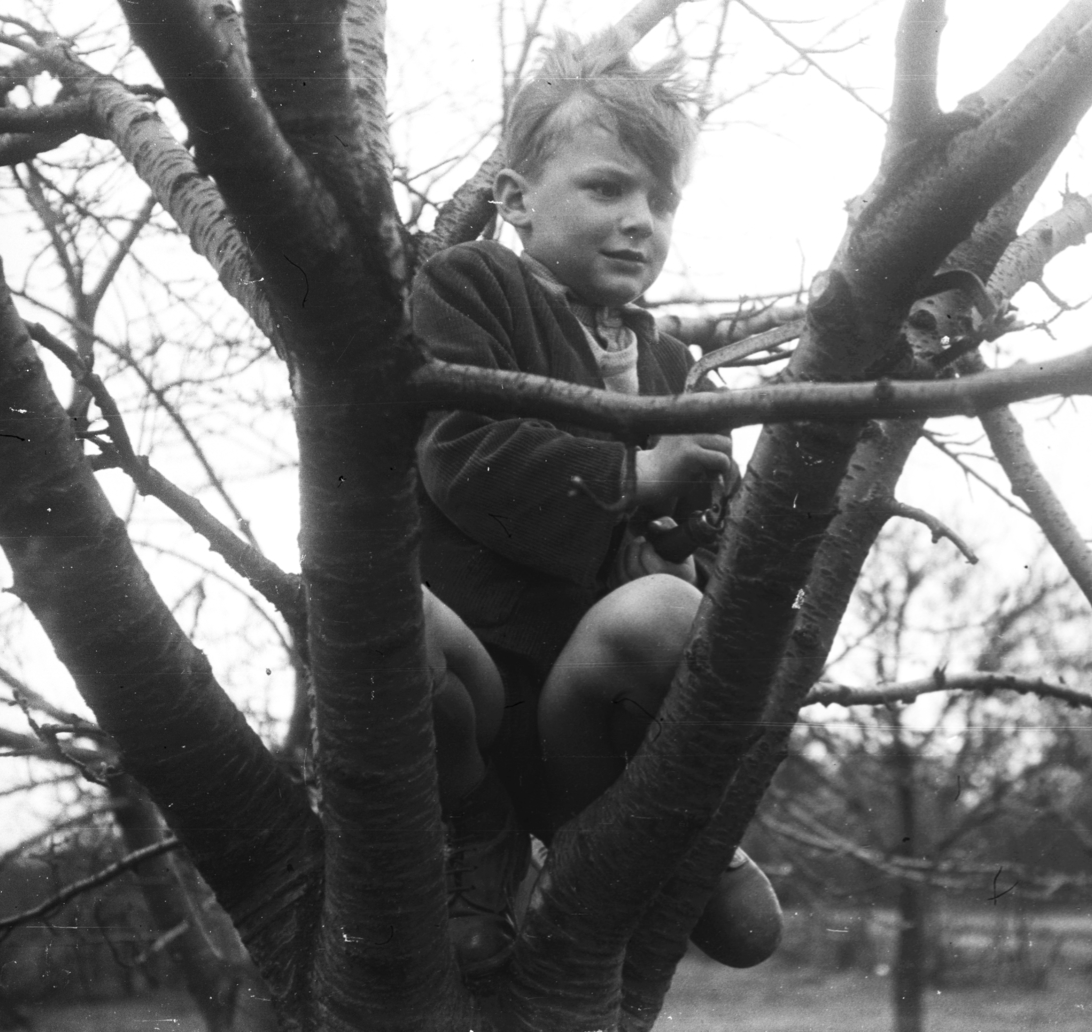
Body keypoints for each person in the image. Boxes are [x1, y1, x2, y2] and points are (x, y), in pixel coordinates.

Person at [412, 31, 782, 979]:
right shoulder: (469, 287)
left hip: (583, 701)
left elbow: (711, 550)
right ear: (514, 199)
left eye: (662, 202)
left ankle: (637, 830)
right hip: (483, 673)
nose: (641, 222)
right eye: (608, 188)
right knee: (378, 613)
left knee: (672, 610)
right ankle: (482, 835)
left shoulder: (670, 364)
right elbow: (461, 451)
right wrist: (632, 479)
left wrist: (692, 529)